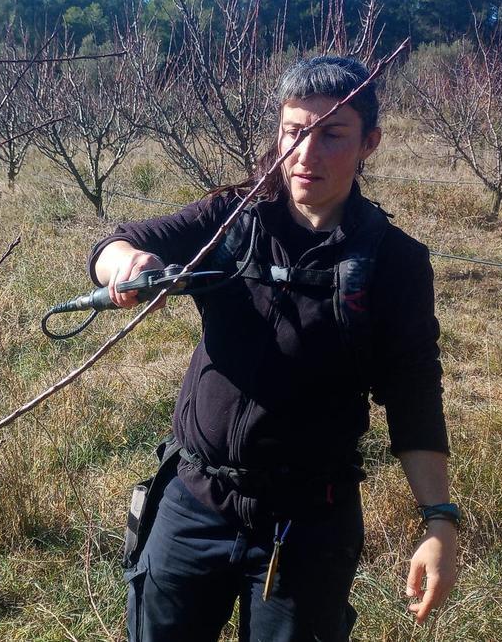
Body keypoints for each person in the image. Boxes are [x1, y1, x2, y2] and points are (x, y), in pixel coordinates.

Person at [88, 56, 458, 641]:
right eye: (294, 131)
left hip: (308, 525)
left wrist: (439, 520)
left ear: (370, 144)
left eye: (332, 134)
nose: (307, 154)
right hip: (193, 504)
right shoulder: (231, 220)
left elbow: (414, 392)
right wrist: (130, 266)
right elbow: (119, 242)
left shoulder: (395, 261)